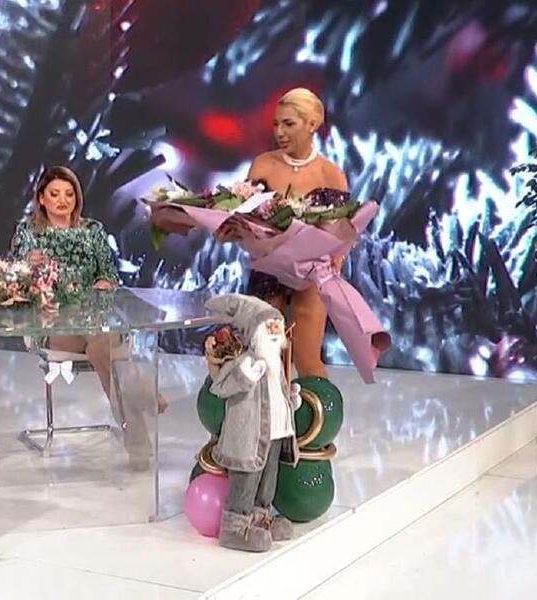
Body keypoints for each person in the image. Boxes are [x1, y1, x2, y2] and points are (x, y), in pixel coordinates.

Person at [10, 166, 166, 468]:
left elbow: (108, 273)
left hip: (94, 320)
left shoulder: (92, 230)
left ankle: (139, 445)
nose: (62, 200)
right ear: (41, 198)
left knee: (100, 348)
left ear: (77, 198)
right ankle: (146, 395)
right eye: (54, 194)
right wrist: (29, 266)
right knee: (108, 348)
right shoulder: (28, 233)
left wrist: (104, 283)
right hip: (53, 324)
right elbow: (16, 277)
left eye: (69, 194)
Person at [217, 87, 349, 379]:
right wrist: (231, 231)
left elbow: (341, 235)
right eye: (276, 124)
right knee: (264, 358)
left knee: (308, 360)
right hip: (268, 271)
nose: (279, 132)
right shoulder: (263, 165)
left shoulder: (331, 174)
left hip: (311, 278)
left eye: (288, 124)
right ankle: (268, 408)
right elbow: (247, 218)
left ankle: (316, 408)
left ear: (312, 124)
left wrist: (331, 271)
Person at [204, 294, 302, 552]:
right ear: (255, 333)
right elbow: (221, 387)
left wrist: (291, 400)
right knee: (247, 479)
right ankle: (234, 528)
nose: (275, 333)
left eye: (277, 327)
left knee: (268, 480)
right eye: (269, 328)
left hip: (276, 433)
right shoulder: (245, 361)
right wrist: (245, 375)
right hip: (250, 436)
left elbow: (278, 393)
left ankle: (260, 517)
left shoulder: (276, 365)